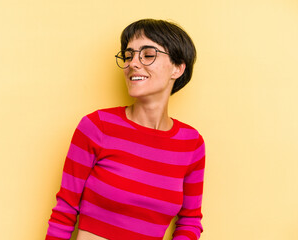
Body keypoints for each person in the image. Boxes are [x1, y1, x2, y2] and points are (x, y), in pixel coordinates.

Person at [45, 19, 205, 240]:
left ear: (177, 68)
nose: (133, 63)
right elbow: (65, 211)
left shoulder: (191, 143)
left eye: (148, 55)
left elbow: (190, 221)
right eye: (129, 55)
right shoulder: (97, 126)